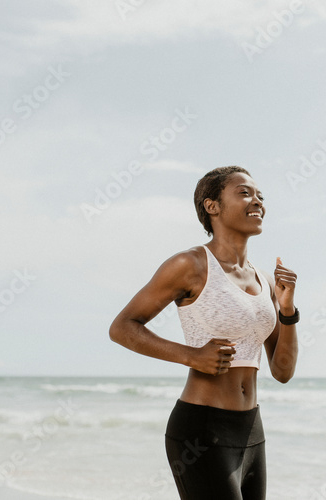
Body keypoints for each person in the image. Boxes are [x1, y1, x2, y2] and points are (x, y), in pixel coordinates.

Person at [109, 165, 299, 499]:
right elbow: (122, 327)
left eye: (260, 196)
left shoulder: (265, 279)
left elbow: (282, 372)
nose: (257, 201)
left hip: (251, 431)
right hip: (201, 431)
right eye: (244, 192)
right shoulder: (190, 265)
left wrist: (287, 310)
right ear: (212, 206)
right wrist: (191, 356)